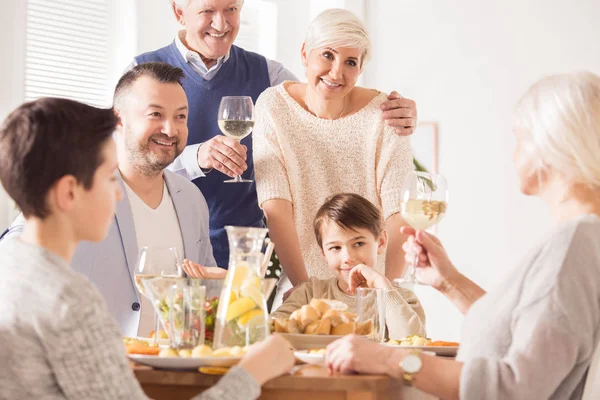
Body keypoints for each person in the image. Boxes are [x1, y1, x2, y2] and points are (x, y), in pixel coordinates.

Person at [325, 71, 600, 400]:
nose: (514, 155)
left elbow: (514, 387)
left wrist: (387, 358)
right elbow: (521, 333)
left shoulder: (572, 247)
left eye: (520, 140)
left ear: (552, 143)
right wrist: (449, 282)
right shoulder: (582, 239)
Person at [0, 97, 295, 400]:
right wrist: (251, 373)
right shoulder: (68, 299)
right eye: (108, 177)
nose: (118, 193)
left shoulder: (10, 265)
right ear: (69, 192)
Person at [131, 0, 419, 270]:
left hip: (249, 252)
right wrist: (196, 157)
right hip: (168, 242)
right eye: (208, 10)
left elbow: (324, 93)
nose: (221, 23)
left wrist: (395, 109)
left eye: (231, 8)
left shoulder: (268, 74)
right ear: (179, 12)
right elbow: (125, 158)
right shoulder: (140, 72)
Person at [1, 62, 220, 337]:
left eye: (180, 117)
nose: (170, 130)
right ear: (119, 120)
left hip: (174, 371)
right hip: (98, 364)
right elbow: (19, 244)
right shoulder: (85, 188)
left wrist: (225, 289)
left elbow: (205, 286)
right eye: (155, 114)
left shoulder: (192, 198)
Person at [253, 9, 413, 307]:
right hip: (304, 288)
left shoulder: (386, 114)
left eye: (350, 62)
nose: (337, 72)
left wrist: (386, 293)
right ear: (304, 53)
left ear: (360, 67)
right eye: (327, 55)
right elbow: (276, 207)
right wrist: (307, 291)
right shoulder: (272, 107)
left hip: (371, 287)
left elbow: (399, 212)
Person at [271, 193, 426, 339]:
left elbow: (413, 344)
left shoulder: (404, 299)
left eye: (359, 243)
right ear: (324, 253)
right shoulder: (309, 293)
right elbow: (268, 330)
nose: (348, 258)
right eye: (335, 248)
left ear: (381, 242)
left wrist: (384, 289)